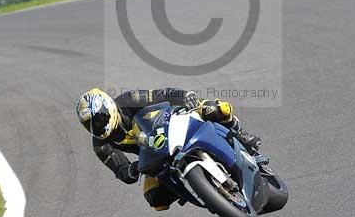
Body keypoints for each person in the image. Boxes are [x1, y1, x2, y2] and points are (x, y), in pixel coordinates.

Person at [75, 87, 265, 210]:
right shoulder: (101, 146)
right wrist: (132, 169)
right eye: (89, 125)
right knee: (155, 198)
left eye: (98, 119)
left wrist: (186, 97)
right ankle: (203, 192)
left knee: (214, 108)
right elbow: (122, 172)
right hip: (152, 156)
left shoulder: (128, 100)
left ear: (107, 107)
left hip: (169, 127)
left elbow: (162, 94)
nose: (96, 127)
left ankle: (243, 136)